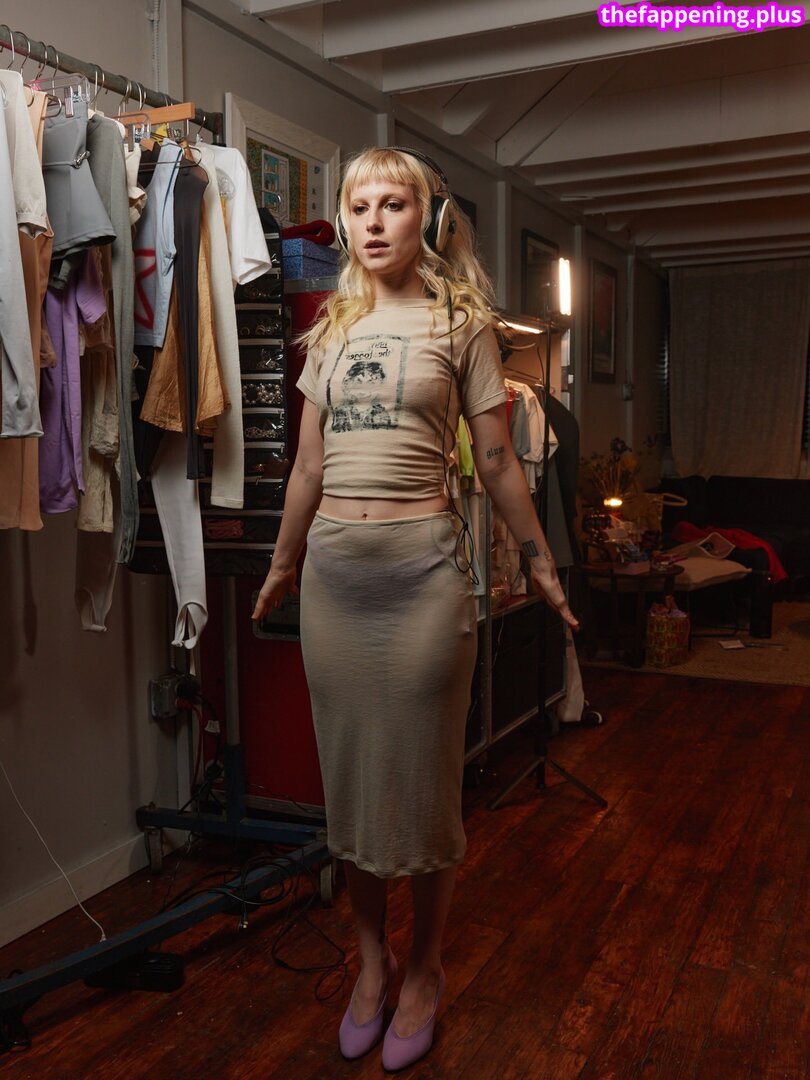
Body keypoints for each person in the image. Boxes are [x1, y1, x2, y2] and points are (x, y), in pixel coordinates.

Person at [252, 146, 578, 1071]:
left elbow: (500, 462)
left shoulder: (462, 324)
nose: (373, 222)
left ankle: (426, 967)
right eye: (359, 207)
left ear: (426, 219)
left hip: (425, 578)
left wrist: (540, 562)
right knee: (353, 784)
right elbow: (307, 469)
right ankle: (371, 963)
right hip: (336, 583)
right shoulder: (330, 331)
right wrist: (281, 566)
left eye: (392, 204)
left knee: (426, 788)